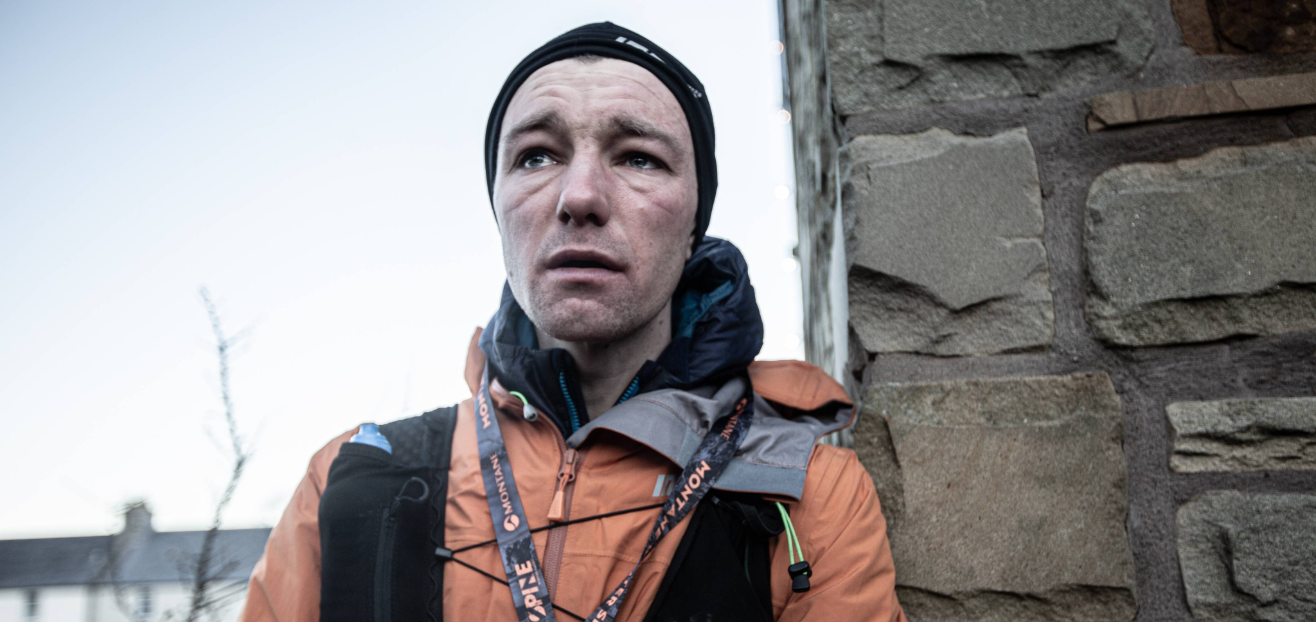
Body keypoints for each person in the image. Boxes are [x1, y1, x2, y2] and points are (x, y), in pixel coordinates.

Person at [238, 22, 904, 622]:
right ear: (499, 208)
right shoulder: (350, 482)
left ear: (693, 225)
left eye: (638, 156)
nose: (579, 196)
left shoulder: (810, 497)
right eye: (536, 155)